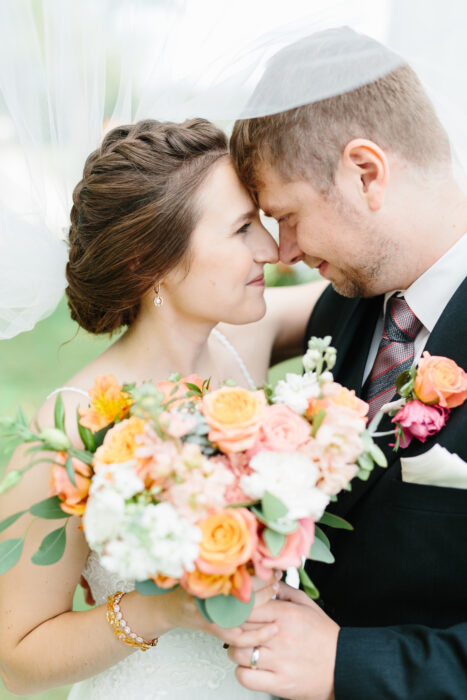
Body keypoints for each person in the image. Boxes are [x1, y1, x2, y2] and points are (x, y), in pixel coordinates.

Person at [0, 118, 327, 699]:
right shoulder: (69, 426)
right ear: (150, 264)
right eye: (242, 228)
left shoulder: (246, 337)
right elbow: (17, 657)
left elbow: (380, 288)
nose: (272, 249)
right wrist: (161, 611)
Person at [227, 27, 467, 700]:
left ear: (365, 173)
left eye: (289, 216)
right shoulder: (349, 303)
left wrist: (347, 664)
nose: (284, 250)